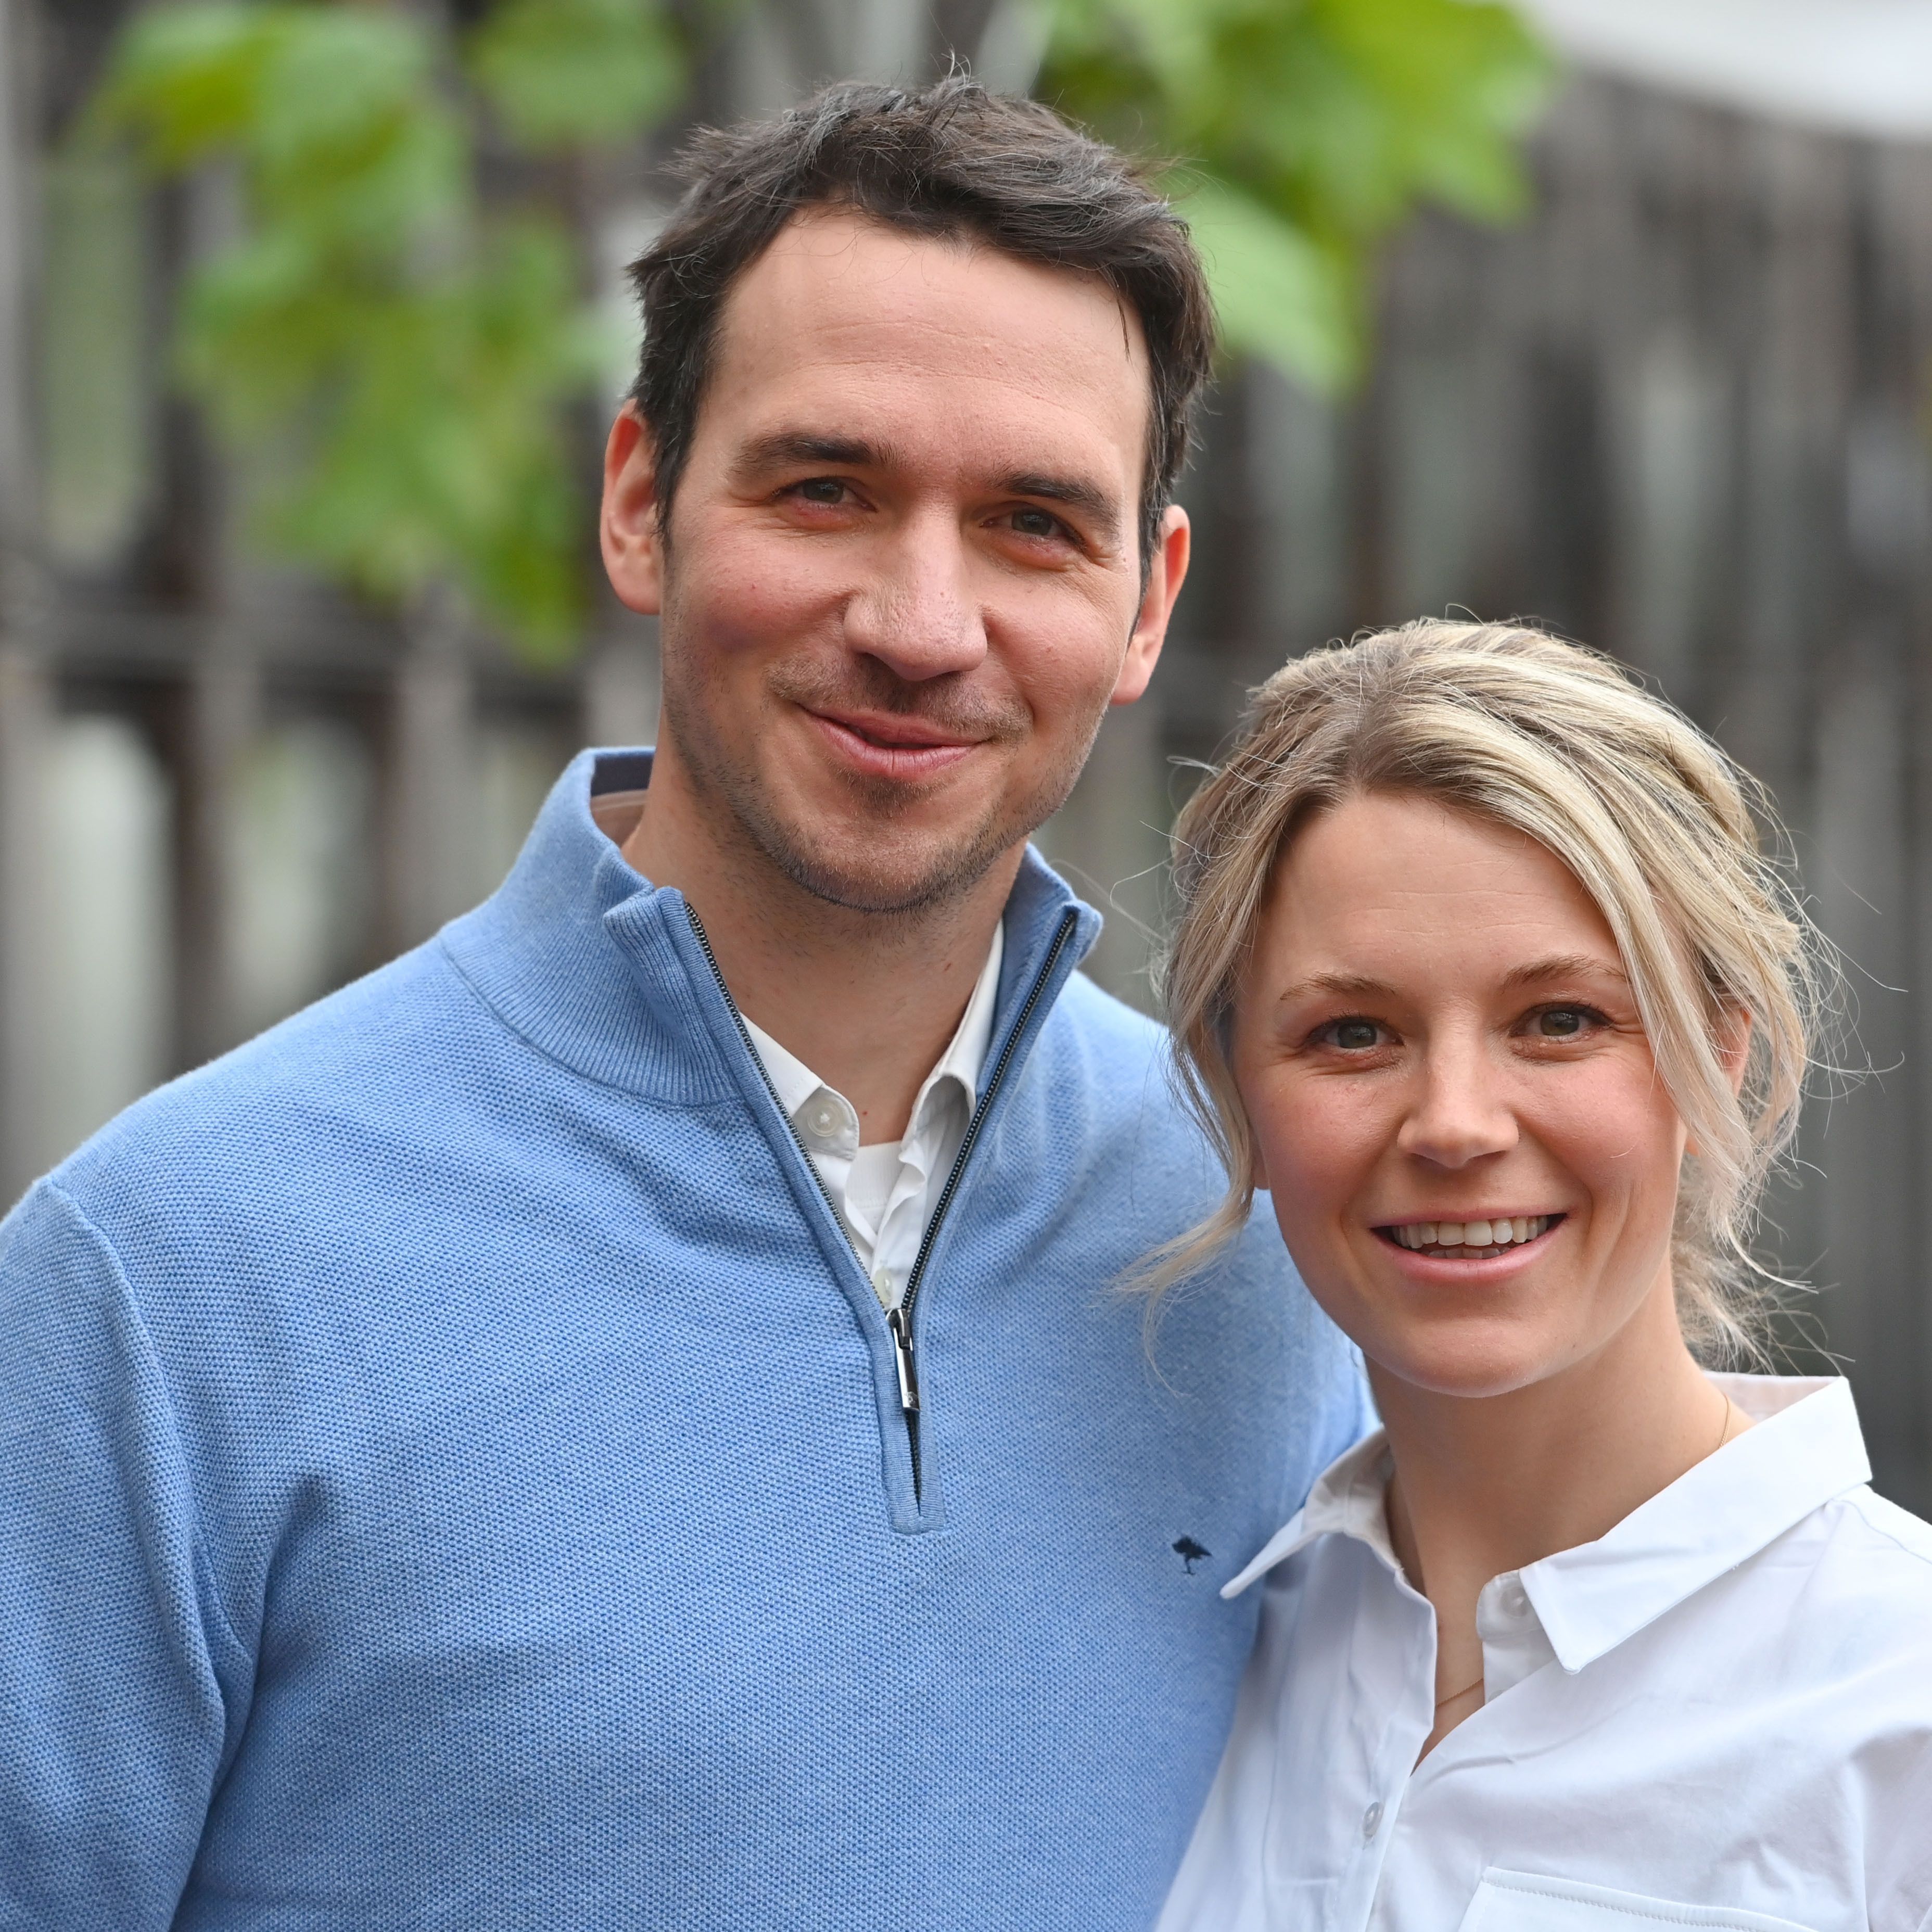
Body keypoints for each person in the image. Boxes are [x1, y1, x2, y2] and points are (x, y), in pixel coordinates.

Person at [0, 78, 1367, 1932]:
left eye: (1036, 524)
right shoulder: (164, 1279)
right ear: (642, 501)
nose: (921, 619)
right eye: (828, 487)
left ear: (1146, 602)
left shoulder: (1284, 1242)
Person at [1153, 621, 1932, 1930]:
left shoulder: (1894, 1704)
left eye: (1558, 1018)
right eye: (1352, 1032)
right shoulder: (1195, 1656)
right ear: (1241, 1091)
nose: (1453, 1122)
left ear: (1715, 1056)